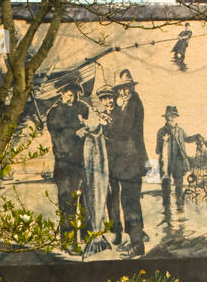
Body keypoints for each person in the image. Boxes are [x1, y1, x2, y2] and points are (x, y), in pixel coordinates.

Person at [107, 72, 148, 256]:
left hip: (131, 164)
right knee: (129, 202)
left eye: (126, 87)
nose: (123, 91)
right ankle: (134, 238)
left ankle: (137, 245)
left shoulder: (133, 104)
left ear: (132, 87)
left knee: (130, 203)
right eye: (120, 89)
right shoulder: (126, 105)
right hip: (126, 165)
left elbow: (123, 130)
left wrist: (108, 123)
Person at [45, 78, 89, 249]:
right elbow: (58, 139)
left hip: (80, 164)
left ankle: (87, 236)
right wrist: (76, 133)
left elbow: (88, 125)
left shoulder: (82, 108)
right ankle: (68, 241)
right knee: (67, 204)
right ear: (62, 94)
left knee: (84, 201)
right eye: (70, 95)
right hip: (63, 166)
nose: (72, 99)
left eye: (75, 95)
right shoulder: (54, 114)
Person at [78, 86, 115, 256]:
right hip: (88, 167)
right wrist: (87, 126)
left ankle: (99, 235)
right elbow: (91, 127)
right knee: (89, 195)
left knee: (102, 194)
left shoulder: (106, 118)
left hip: (103, 168)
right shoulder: (90, 122)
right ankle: (94, 235)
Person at [155, 106, 202, 215]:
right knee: (166, 185)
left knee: (179, 185)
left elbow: (188, 139)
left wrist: (196, 137)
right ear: (165, 118)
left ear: (176, 118)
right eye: (168, 117)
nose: (170, 119)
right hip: (166, 162)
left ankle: (180, 207)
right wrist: (163, 142)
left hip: (178, 162)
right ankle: (166, 208)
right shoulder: (161, 132)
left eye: (172, 117)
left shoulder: (180, 131)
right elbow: (157, 150)